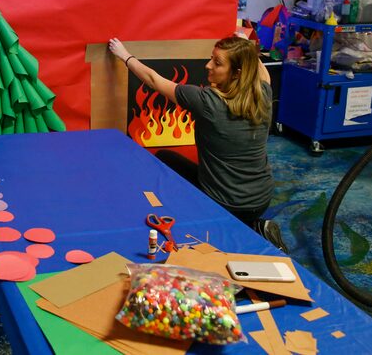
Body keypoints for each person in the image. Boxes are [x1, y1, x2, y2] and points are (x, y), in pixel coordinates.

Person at [108, 36, 287, 252]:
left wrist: (124, 55)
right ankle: (254, 226)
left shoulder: (208, 102)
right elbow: (263, 74)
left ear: (237, 72)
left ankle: (205, 221)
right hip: (261, 200)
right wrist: (246, 47)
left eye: (217, 63)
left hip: (226, 205)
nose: (208, 65)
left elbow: (154, 80)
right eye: (211, 58)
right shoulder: (263, 95)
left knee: (164, 160)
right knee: (174, 161)